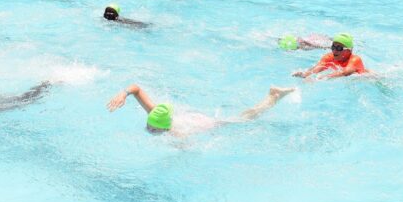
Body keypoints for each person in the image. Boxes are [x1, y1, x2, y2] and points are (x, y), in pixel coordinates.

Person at [106, 84, 295, 137]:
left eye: (154, 129)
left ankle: (273, 97)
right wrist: (123, 94)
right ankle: (273, 96)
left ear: (165, 128)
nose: (149, 130)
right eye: (149, 126)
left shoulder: (177, 133)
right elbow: (136, 88)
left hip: (204, 123)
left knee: (245, 119)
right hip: (193, 116)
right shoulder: (156, 111)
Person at [292, 33, 369, 79]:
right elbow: (316, 69)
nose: (334, 51)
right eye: (333, 47)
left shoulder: (355, 59)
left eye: (339, 48)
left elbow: (345, 73)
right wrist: (305, 74)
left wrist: (323, 78)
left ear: (349, 50)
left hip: (367, 78)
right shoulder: (329, 57)